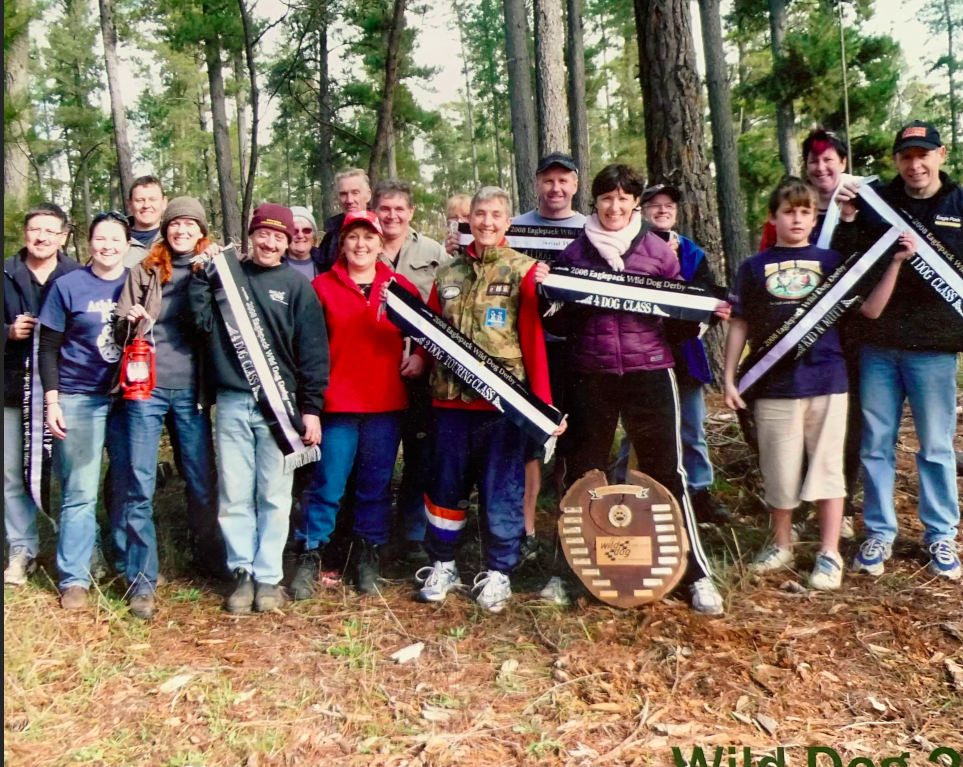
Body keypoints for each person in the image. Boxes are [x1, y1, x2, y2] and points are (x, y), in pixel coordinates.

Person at [538, 164, 725, 615]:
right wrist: (547, 292)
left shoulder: (660, 251)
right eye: (606, 199)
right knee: (584, 473)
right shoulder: (575, 253)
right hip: (592, 374)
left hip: (649, 371)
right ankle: (567, 572)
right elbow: (561, 323)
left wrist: (703, 313)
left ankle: (694, 573)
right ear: (595, 202)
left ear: (635, 204)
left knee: (666, 471)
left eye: (624, 199)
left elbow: (677, 320)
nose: (614, 207)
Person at [415, 186, 564, 613]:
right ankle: (443, 564)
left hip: (503, 409)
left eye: (496, 215)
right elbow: (429, 331)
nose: (487, 223)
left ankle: (499, 571)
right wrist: (418, 360)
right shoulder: (447, 274)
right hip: (449, 405)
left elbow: (535, 341)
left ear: (508, 222)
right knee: (445, 488)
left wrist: (543, 405)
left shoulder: (526, 271)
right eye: (480, 214)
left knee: (503, 490)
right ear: (469, 219)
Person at [835, 121, 961, 581]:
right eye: (906, 156)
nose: (915, 164)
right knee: (876, 444)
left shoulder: (959, 204)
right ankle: (879, 531)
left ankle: (941, 534)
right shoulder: (877, 203)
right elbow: (846, 262)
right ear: (896, 161)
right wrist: (848, 220)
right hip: (879, 345)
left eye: (923, 154)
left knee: (935, 446)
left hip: (936, 349)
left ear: (941, 155)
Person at [191, 203, 329, 613]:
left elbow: (313, 354)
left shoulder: (298, 286)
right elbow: (199, 325)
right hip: (233, 400)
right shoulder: (228, 277)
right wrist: (201, 279)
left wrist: (312, 408)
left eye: (279, 237)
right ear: (251, 236)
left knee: (274, 493)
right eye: (263, 235)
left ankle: (268, 575)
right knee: (234, 493)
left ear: (289, 242)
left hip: (281, 408)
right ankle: (242, 572)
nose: (270, 243)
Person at [725, 178, 854, 591]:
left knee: (828, 467)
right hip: (773, 385)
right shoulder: (753, 267)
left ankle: (829, 552)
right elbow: (740, 323)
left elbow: (865, 309)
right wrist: (729, 377)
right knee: (779, 469)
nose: (797, 218)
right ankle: (782, 544)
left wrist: (896, 262)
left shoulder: (835, 262)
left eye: (805, 211)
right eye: (788, 211)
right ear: (773, 217)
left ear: (815, 217)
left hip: (827, 379)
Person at [291, 211, 425, 597]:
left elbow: (428, 336)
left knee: (375, 486)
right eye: (353, 237)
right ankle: (312, 553)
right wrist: (310, 404)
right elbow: (307, 349)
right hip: (336, 406)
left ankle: (369, 553)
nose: (361, 245)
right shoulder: (321, 287)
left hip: (384, 405)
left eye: (369, 237)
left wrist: (419, 357)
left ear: (381, 243)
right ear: (342, 243)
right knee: (327, 484)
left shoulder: (399, 287)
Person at [113, 198, 222, 619]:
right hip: (147, 388)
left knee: (201, 479)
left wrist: (212, 267)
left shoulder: (211, 267)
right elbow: (120, 323)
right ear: (165, 228)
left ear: (201, 231)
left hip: (193, 391)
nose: (181, 231)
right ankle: (141, 579)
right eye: (175, 224)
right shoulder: (144, 269)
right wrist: (132, 320)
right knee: (139, 482)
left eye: (189, 225)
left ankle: (208, 558)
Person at [38, 212, 130, 610]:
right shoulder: (67, 285)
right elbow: (47, 347)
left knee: (130, 487)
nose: (107, 245)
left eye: (115, 239)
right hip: (79, 397)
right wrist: (52, 399)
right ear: (88, 242)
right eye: (100, 238)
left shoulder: (138, 282)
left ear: (128, 244)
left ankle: (132, 566)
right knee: (79, 490)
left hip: (129, 397)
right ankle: (74, 577)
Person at [634, 182, 733, 525]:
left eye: (668, 206)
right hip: (642, 353)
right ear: (641, 209)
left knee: (692, 428)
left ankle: (699, 492)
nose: (662, 210)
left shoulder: (692, 252)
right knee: (637, 431)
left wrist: (713, 312)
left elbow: (709, 297)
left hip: (685, 354)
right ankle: (629, 490)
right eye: (654, 205)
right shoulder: (629, 247)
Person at [507, 153, 588, 563]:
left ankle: (570, 528)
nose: (555, 189)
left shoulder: (591, 230)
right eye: (548, 180)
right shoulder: (515, 229)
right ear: (537, 183)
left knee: (573, 440)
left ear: (575, 184)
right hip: (527, 351)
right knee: (529, 442)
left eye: (563, 181)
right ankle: (527, 531)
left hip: (578, 351)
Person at [373, 179, 451, 564]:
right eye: (385, 209)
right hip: (375, 370)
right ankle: (374, 534)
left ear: (411, 212)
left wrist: (424, 355)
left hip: (422, 369)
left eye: (399, 209)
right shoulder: (362, 247)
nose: (392, 216)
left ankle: (413, 534)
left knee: (421, 455)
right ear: (375, 212)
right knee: (378, 456)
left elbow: (444, 310)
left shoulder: (434, 253)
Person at [4, 204, 79, 585]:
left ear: (62, 237)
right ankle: (22, 548)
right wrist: (6, 332)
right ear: (25, 233)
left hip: (63, 391)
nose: (41, 236)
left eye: (50, 231)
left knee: (70, 473)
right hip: (12, 390)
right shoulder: (5, 272)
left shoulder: (76, 275)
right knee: (12, 473)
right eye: (35, 229)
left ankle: (79, 546)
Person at [316, 169, 373, 273]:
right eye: (343, 194)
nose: (349, 200)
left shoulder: (381, 229)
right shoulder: (331, 234)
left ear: (368, 195)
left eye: (355, 193)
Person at [124, 176, 169, 267]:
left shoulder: (175, 239)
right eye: (140, 200)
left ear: (164, 203)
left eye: (153, 199)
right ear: (130, 204)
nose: (146, 205)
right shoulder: (115, 240)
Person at [285, 206, 327, 280]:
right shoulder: (274, 264)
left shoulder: (326, 263)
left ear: (313, 234)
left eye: (306, 230)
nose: (300, 235)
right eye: (294, 231)